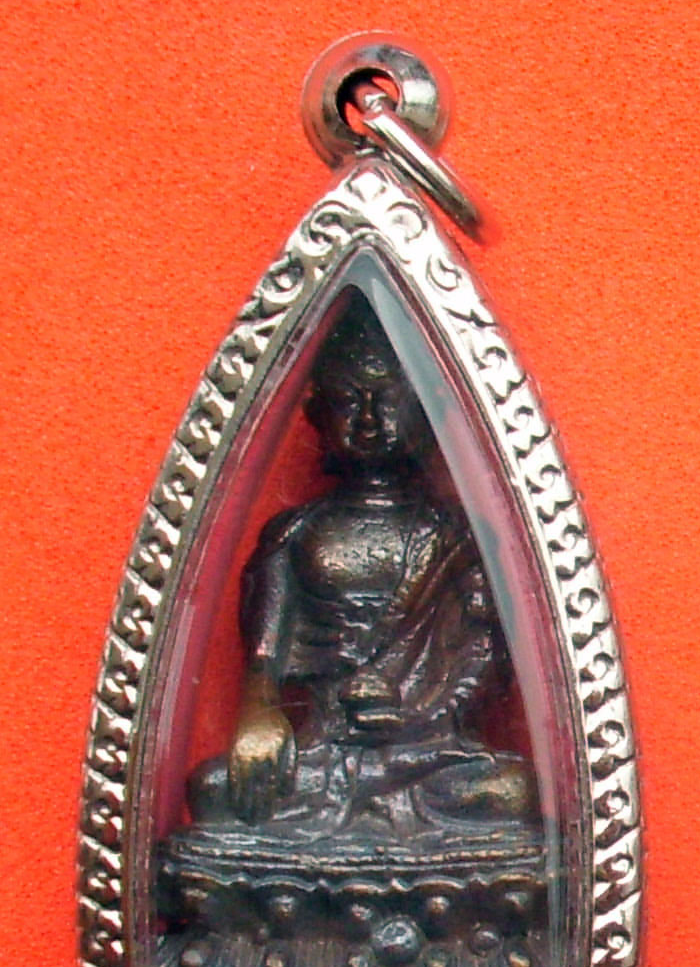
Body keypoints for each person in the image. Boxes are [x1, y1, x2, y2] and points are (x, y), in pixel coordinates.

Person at [189, 295, 537, 843]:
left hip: (427, 754)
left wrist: (416, 715)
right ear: (316, 414)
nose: (370, 419)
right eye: (349, 401)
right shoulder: (293, 534)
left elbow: (485, 661)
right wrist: (259, 719)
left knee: (512, 792)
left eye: (390, 399)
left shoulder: (458, 538)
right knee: (212, 789)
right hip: (321, 750)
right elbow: (263, 663)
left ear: (427, 411)